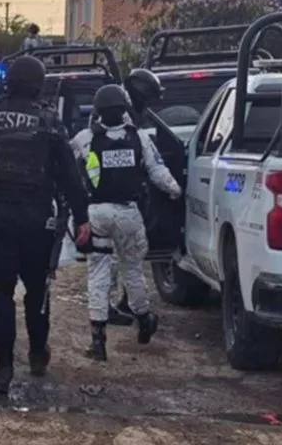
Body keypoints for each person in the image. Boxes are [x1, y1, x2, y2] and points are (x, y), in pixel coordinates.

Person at [0, 55, 91, 397]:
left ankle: (3, 369)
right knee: (37, 290)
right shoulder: (50, 122)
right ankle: (38, 354)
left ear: (9, 82)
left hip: (0, 215)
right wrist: (82, 217)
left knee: (1, 292)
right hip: (38, 218)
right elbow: (70, 176)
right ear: (39, 86)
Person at [71, 84, 181, 362]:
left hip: (96, 213)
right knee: (132, 269)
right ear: (124, 109)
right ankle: (144, 319)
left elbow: (67, 167)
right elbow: (158, 172)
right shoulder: (140, 138)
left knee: (98, 273)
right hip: (129, 214)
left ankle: (98, 342)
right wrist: (176, 191)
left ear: (97, 110)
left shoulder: (85, 138)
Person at [106, 68, 167, 326]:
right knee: (113, 255)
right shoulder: (120, 115)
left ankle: (124, 302)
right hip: (116, 194)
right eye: (148, 98)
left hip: (121, 191)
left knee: (126, 253)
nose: (149, 104)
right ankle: (108, 307)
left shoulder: (124, 110)